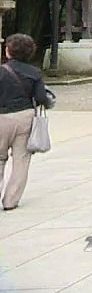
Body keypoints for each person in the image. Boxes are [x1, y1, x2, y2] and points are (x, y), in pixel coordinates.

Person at [0, 34, 54, 211]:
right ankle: (10, 201)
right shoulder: (34, 72)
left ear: (8, 52)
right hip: (25, 118)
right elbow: (40, 98)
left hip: (1, 118)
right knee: (21, 160)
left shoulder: (1, 71)